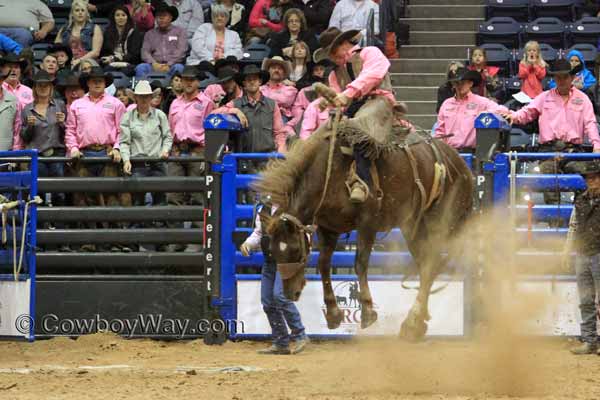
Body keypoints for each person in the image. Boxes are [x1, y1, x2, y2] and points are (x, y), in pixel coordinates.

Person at [313, 27, 394, 203]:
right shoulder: (335, 74)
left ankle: (362, 182)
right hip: (354, 107)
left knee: (357, 126)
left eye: (333, 51)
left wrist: (346, 94)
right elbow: (338, 98)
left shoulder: (370, 52)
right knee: (322, 134)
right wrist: (331, 101)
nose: (332, 57)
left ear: (343, 44)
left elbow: (371, 75)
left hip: (379, 101)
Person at [64, 67, 126, 243]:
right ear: (88, 83)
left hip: (108, 153)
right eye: (93, 80)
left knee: (112, 196)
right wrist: (73, 148)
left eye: (100, 80)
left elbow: (123, 130)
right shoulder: (76, 105)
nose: (97, 82)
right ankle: (90, 241)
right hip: (84, 154)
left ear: (105, 83)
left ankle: (115, 240)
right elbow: (70, 130)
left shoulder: (116, 104)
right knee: (86, 196)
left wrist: (117, 148)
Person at [240, 200, 309, 355]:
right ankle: (281, 342)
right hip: (270, 260)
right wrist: (248, 244)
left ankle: (299, 335)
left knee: (280, 296)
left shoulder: (293, 206)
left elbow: (304, 233)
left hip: (287, 260)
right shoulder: (264, 208)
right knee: (268, 300)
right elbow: (258, 233)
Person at [167, 65, 214, 252]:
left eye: (191, 79)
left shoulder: (207, 102)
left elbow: (211, 130)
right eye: (185, 79)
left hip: (198, 151)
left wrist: (207, 155)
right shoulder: (175, 103)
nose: (188, 82)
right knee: (173, 196)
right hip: (178, 150)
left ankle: (195, 240)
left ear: (197, 82)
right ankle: (176, 239)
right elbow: (171, 129)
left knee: (198, 197)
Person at [563, 159, 600, 355]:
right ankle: (590, 340)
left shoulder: (582, 200)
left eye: (595, 178)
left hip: (596, 253)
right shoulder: (581, 200)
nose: (592, 181)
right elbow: (573, 225)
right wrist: (567, 249)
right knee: (586, 300)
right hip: (584, 252)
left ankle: (591, 340)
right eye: (589, 178)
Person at [120, 80, 172, 216]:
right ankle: (138, 233)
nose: (143, 99)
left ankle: (159, 232)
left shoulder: (160, 115)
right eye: (140, 96)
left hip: (157, 162)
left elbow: (167, 136)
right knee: (137, 201)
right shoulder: (127, 117)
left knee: (160, 200)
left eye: (146, 96)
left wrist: (165, 150)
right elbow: (124, 142)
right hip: (137, 163)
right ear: (135, 98)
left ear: (151, 98)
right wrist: (126, 160)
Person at [20, 70, 68, 215]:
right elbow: (24, 137)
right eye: (39, 85)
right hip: (37, 156)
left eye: (46, 85)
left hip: (56, 155)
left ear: (51, 87)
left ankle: (59, 225)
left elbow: (68, 133)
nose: (43, 88)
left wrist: (62, 123)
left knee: (59, 192)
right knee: (37, 193)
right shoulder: (27, 109)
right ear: (34, 88)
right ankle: (39, 226)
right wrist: (29, 126)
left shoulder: (60, 105)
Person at [434, 68, 508, 152]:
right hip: (450, 153)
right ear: (453, 84)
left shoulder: (480, 102)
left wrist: (486, 113)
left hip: (471, 152)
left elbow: (503, 110)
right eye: (457, 83)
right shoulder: (446, 104)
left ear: (470, 83)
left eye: (462, 83)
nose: (459, 86)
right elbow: (440, 131)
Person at [220, 64, 288, 153]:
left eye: (255, 79)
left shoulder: (272, 104)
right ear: (244, 83)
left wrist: (281, 150)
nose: (252, 82)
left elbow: (279, 133)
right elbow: (213, 114)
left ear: (260, 81)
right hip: (242, 158)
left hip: (267, 159)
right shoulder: (235, 104)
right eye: (248, 80)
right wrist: (234, 110)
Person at [137, 3, 187, 79]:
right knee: (141, 68)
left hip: (173, 65)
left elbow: (181, 51)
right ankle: (142, 90)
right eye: (158, 16)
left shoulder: (180, 32)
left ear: (171, 17)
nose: (161, 18)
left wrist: (169, 64)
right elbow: (145, 52)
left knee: (179, 68)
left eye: (164, 15)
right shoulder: (149, 34)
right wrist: (154, 63)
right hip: (154, 65)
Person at [55, 0, 104, 70]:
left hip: (88, 61)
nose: (80, 13)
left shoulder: (95, 28)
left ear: (87, 13)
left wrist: (79, 60)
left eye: (83, 10)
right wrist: (63, 58)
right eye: (77, 10)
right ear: (72, 13)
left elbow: (96, 52)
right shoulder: (64, 29)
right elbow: (56, 48)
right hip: (67, 61)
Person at [100, 6, 144, 77]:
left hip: (129, 64)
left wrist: (114, 58)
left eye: (123, 15)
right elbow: (104, 52)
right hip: (111, 64)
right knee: (107, 72)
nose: (120, 18)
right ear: (114, 17)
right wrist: (106, 59)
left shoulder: (134, 32)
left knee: (124, 72)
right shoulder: (107, 32)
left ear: (127, 17)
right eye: (117, 15)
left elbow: (134, 54)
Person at [260, 56, 298, 136]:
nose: (276, 70)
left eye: (280, 69)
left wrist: (265, 99)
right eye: (273, 68)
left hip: (282, 120)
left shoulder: (290, 89)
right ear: (268, 71)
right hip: (261, 119)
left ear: (284, 73)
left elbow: (284, 100)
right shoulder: (261, 88)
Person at [0, 66, 21, 151]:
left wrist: (16, 152)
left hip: (5, 151)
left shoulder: (13, 99)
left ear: (2, 80)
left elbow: (17, 128)